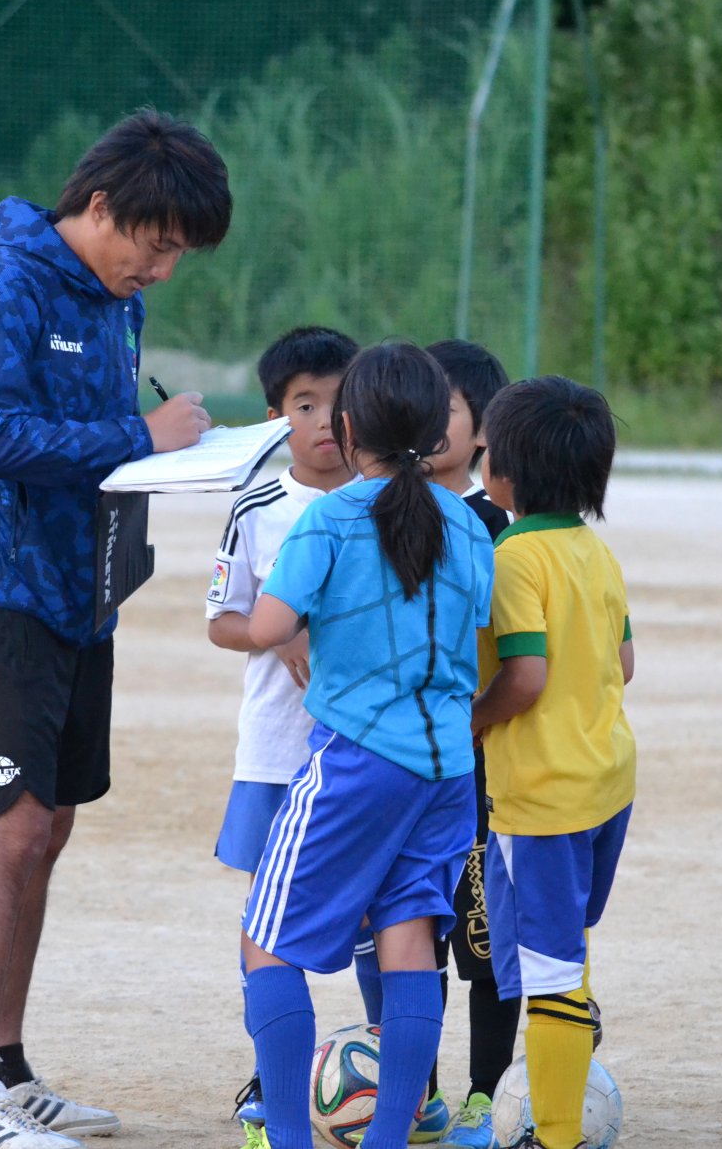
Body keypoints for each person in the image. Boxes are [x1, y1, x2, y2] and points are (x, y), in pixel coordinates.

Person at [0, 109, 231, 1149]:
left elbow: (100, 452)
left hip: (77, 595)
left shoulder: (115, 303)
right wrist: (140, 435)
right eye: (154, 245)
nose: (161, 271)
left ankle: (6, 1072)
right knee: (4, 831)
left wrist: (188, 458)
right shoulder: (3, 281)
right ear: (99, 206)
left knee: (47, 830)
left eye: (176, 255)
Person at [238, 342, 495, 1149]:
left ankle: (287, 1137)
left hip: (354, 762)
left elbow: (269, 627)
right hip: (447, 769)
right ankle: (388, 1138)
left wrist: (275, 610)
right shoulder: (466, 521)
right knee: (409, 936)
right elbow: (479, 620)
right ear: (433, 427)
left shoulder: (331, 516)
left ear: (348, 430)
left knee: (265, 943)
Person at [470, 376, 636, 1149]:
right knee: (563, 946)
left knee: (547, 970)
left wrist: (468, 722)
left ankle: (557, 1136)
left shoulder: (511, 555)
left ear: (505, 471)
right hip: (605, 781)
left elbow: (525, 677)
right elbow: (624, 661)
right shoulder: (593, 551)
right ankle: (568, 1052)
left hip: (541, 794)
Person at [204, 324, 358, 1131]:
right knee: (271, 922)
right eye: (306, 404)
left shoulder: (386, 506)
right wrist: (279, 628)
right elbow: (222, 622)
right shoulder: (258, 505)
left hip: (367, 755)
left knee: (379, 920)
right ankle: (272, 1080)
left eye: (339, 401)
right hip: (277, 749)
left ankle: (394, 1075)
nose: (327, 420)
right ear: (275, 417)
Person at [420, 340, 522, 1149]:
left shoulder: (498, 532)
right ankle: (413, 1086)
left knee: (484, 937)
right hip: (401, 762)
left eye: (444, 406)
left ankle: (484, 1095)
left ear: (483, 429)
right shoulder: (377, 510)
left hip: (480, 766)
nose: (423, 420)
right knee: (406, 928)